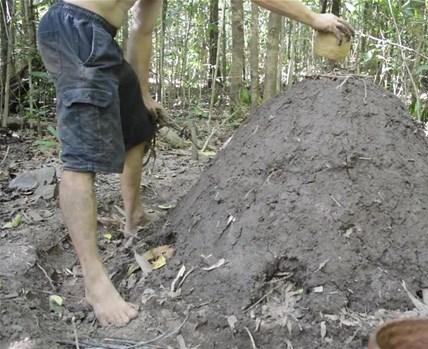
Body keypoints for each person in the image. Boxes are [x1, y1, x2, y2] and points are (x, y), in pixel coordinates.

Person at [37, 0, 354, 326]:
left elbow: (141, 30)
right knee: (81, 160)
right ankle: (94, 282)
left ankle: (133, 216)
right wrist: (313, 17)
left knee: (137, 125)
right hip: (73, 29)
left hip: (100, 35)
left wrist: (143, 93)